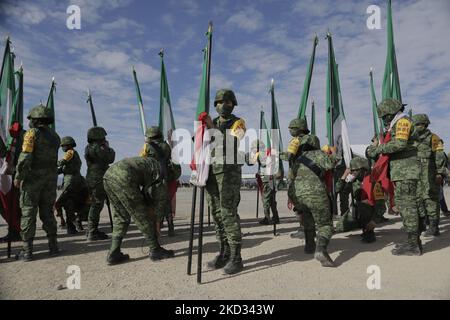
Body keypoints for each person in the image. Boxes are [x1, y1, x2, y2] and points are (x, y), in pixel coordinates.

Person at [367, 98, 421, 256]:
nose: (384, 120)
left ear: (390, 113)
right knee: (405, 205)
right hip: (402, 171)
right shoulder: (397, 123)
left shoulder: (402, 122)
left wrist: (378, 149)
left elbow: (399, 144)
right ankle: (412, 241)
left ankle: (413, 245)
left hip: (407, 171)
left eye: (384, 116)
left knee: (408, 206)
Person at [103, 156, 174, 265]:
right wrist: (158, 223)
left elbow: (147, 191)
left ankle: (114, 252)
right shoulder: (161, 172)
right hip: (124, 177)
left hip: (108, 176)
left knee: (120, 216)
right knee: (141, 215)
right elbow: (160, 201)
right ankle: (155, 249)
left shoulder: (154, 164)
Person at [204, 89, 246, 275]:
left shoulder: (238, 122)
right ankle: (224, 252)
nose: (223, 105)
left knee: (228, 213)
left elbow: (234, 140)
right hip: (212, 173)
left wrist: (211, 128)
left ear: (233, 104)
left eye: (227, 102)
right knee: (217, 213)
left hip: (229, 173)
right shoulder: (210, 123)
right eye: (220, 102)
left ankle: (236, 258)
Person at [282, 134, 339, 267]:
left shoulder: (298, 159)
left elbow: (290, 177)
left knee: (307, 216)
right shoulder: (318, 154)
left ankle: (309, 245)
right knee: (325, 225)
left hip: (298, 195)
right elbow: (330, 164)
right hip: (315, 193)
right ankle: (321, 249)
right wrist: (335, 153)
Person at [14, 104, 60, 261]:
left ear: (34, 119)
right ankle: (53, 246)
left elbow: (25, 157)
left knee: (28, 212)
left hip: (33, 179)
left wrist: (19, 177)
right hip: (50, 180)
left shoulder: (31, 134)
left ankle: (27, 251)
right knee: (47, 212)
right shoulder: (55, 136)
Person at [140, 126, 179, 237]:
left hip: (152, 179)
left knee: (152, 203)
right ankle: (171, 228)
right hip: (164, 177)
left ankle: (156, 229)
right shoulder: (166, 146)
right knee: (166, 203)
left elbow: (142, 160)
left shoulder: (147, 146)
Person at [412, 114, 445, 237]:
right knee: (418, 200)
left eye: (418, 124)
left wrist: (439, 173)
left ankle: (434, 227)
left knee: (431, 200)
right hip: (416, 176)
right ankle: (422, 224)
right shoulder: (412, 139)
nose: (416, 127)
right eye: (414, 125)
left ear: (424, 125)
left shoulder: (434, 138)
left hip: (429, 175)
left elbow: (439, 156)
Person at [336, 157, 377, 243]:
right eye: (351, 171)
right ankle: (362, 224)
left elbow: (380, 204)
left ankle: (369, 233)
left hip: (372, 210)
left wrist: (374, 220)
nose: (353, 173)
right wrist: (344, 176)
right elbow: (338, 189)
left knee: (364, 205)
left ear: (363, 169)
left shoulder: (373, 180)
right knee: (341, 226)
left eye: (355, 170)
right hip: (358, 210)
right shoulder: (354, 181)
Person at [85, 126, 115, 241]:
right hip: (98, 178)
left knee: (95, 204)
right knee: (97, 204)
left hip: (92, 177)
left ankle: (92, 229)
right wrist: (108, 148)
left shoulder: (89, 147)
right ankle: (92, 231)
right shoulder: (98, 148)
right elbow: (110, 158)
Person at [283, 118, 311, 239]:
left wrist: (275, 154)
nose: (289, 131)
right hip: (308, 177)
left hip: (299, 178)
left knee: (300, 205)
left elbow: (289, 156)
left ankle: (304, 230)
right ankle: (308, 229)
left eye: (291, 129)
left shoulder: (296, 141)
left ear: (298, 129)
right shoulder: (310, 140)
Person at [55, 136, 85, 234]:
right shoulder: (74, 155)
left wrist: (51, 163)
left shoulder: (70, 152)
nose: (62, 148)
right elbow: (62, 169)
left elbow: (61, 163)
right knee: (76, 202)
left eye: (63, 146)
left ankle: (71, 226)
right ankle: (76, 223)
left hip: (71, 181)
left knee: (64, 202)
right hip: (78, 180)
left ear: (67, 145)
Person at [245, 139, 279, 225]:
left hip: (267, 180)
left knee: (266, 200)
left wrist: (247, 156)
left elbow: (251, 163)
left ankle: (267, 218)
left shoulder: (261, 153)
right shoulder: (268, 152)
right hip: (271, 179)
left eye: (253, 148)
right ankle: (275, 217)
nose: (252, 150)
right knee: (271, 200)